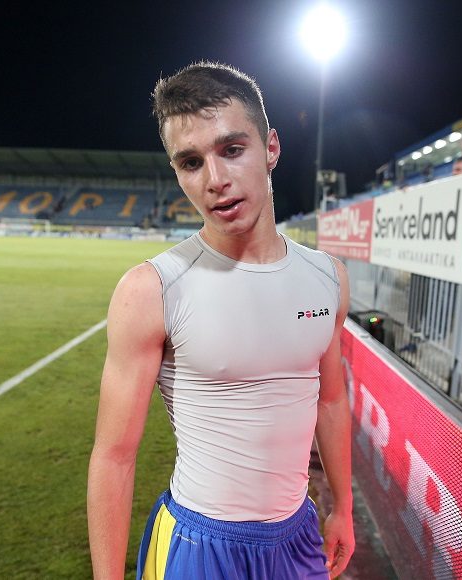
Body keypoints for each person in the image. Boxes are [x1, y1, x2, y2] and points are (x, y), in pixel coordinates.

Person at [87, 61, 355, 580]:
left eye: (232, 149)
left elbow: (331, 399)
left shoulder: (328, 278)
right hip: (198, 547)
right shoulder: (152, 289)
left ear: (271, 147)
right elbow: (114, 456)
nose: (215, 180)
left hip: (299, 538)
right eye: (191, 162)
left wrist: (342, 506)